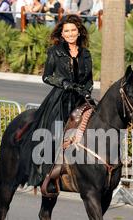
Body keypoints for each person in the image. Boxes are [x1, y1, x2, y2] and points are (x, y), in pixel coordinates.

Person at [21, 14, 93, 187]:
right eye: (66, 31)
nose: (70, 33)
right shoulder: (55, 51)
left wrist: (87, 91)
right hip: (60, 99)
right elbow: (46, 76)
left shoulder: (86, 53)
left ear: (79, 31)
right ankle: (46, 173)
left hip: (81, 98)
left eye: (73, 30)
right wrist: (64, 83)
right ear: (61, 34)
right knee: (53, 135)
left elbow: (89, 78)